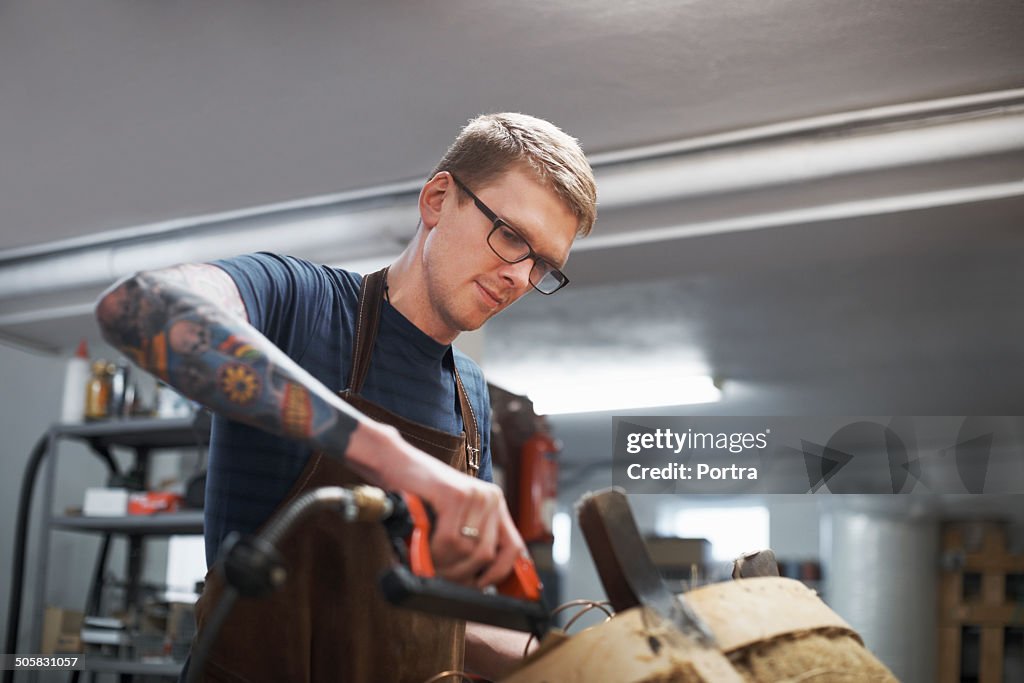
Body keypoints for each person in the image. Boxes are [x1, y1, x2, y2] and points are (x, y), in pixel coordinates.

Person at [95, 112, 597, 682]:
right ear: (437, 199)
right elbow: (137, 309)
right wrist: (389, 457)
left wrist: (586, 664)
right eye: (510, 237)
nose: (520, 276)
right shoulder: (301, 304)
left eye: (544, 266)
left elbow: (434, 614)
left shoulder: (471, 396)